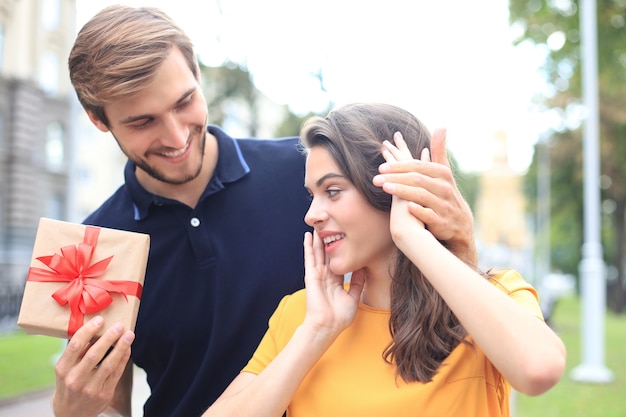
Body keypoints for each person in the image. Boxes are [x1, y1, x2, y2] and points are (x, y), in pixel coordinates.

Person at [52, 6, 477, 417]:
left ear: (197, 75)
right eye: (143, 122)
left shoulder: (308, 177)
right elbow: (110, 398)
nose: (176, 135)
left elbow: (416, 290)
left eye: (184, 102)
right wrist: (74, 413)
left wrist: (459, 240)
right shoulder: (94, 250)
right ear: (98, 120)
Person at [202, 103, 567, 417]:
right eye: (312, 195)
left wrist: (413, 237)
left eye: (332, 191)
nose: (312, 214)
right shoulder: (302, 317)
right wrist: (316, 333)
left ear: (395, 192)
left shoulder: (490, 298)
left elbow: (539, 370)